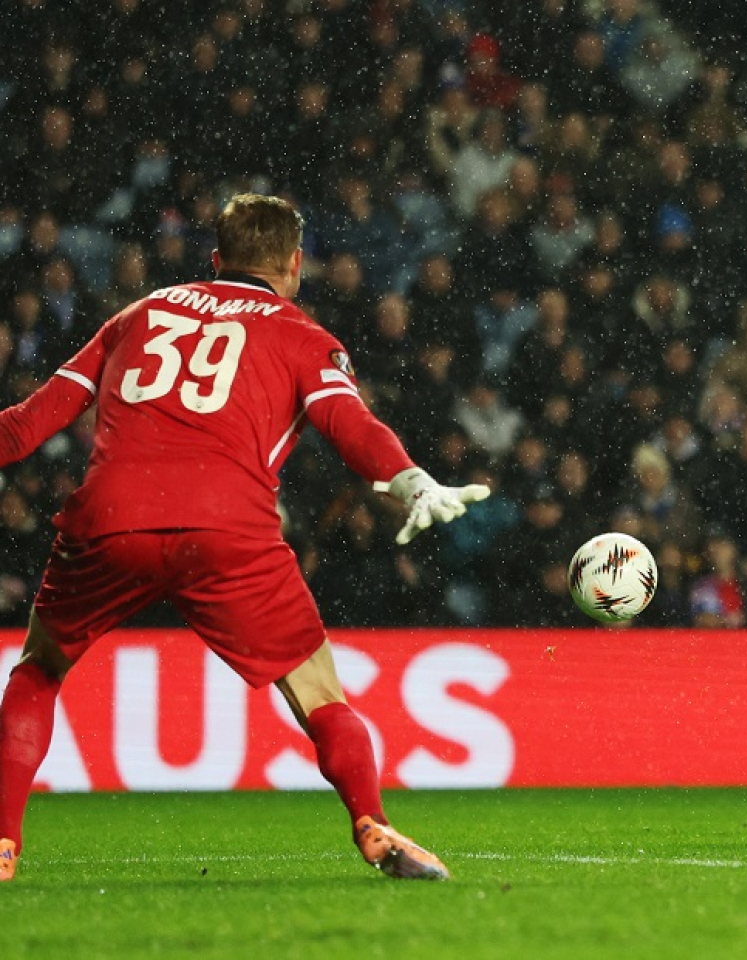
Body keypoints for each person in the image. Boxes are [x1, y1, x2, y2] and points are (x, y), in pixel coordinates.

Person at [0, 194, 490, 882]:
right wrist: (410, 480)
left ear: (215, 259)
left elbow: (24, 427)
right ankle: (372, 824)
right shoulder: (300, 334)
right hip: (227, 529)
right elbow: (348, 424)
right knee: (321, 696)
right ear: (294, 265)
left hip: (111, 520)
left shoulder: (136, 317)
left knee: (38, 671)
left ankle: (1, 844)